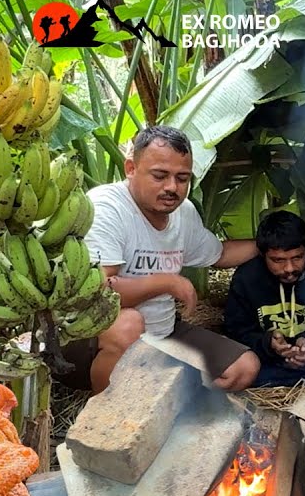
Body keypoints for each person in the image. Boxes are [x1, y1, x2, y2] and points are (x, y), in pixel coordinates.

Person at [69, 125, 263, 394]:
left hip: (162, 334)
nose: (172, 187)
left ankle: (166, 396)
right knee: (128, 324)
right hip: (90, 340)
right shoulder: (106, 207)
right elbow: (97, 291)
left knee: (243, 367)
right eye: (159, 176)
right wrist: (166, 282)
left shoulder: (184, 212)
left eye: (182, 178)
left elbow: (220, 254)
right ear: (131, 168)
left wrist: (277, 245)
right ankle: (110, 408)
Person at [224, 210, 305, 387]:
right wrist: (268, 343)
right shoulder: (247, 277)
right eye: (278, 260)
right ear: (262, 255)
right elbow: (237, 330)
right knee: (243, 368)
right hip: (267, 359)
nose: (289, 268)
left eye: (298, 257)